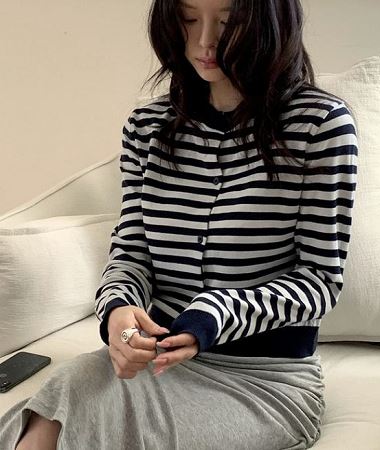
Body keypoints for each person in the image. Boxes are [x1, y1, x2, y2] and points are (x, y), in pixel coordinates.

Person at [0, 0, 358, 448]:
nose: (205, 41)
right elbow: (131, 254)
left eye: (229, 22)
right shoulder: (147, 128)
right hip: (158, 362)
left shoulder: (320, 126)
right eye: (189, 19)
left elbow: (320, 281)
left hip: (265, 381)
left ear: (269, 22)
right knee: (63, 398)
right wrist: (118, 311)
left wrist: (214, 314)